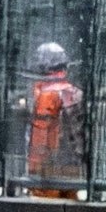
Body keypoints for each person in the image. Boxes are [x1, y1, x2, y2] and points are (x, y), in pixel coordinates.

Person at [22, 41, 85, 195]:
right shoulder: (73, 91)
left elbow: (41, 137)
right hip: (72, 167)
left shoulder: (45, 94)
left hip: (47, 170)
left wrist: (35, 171)